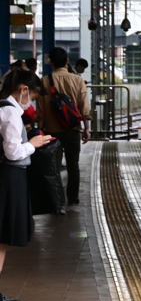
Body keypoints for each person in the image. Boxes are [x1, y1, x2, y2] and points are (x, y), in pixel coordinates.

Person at [0, 70, 54, 301]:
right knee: (2, 238)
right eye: (31, 96)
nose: (31, 102)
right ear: (23, 89)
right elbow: (13, 152)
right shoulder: (10, 112)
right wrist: (32, 144)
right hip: (9, 178)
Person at [40, 47, 91, 206]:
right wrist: (86, 127)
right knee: (73, 165)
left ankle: (57, 199)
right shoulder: (77, 80)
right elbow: (84, 106)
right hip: (72, 129)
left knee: (52, 167)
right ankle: (73, 198)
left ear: (51, 62)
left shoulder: (45, 81)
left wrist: (40, 130)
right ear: (67, 61)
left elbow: (41, 110)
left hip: (51, 131)